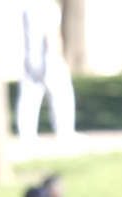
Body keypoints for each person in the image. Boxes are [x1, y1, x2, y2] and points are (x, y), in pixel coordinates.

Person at [18, 0, 76, 141]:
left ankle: (27, 136)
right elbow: (52, 36)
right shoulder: (50, 7)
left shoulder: (28, 10)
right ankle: (65, 133)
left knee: (29, 97)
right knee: (62, 96)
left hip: (31, 58)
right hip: (49, 57)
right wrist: (58, 57)